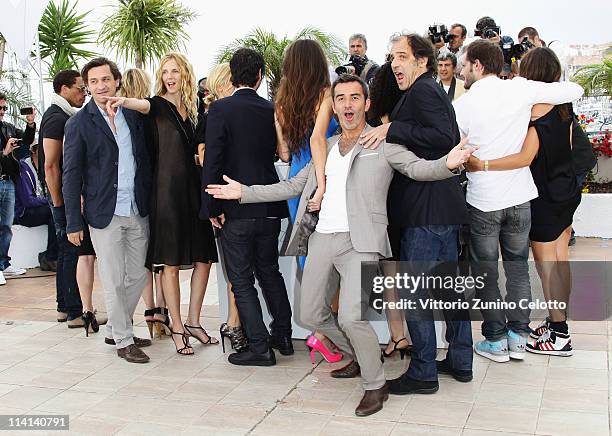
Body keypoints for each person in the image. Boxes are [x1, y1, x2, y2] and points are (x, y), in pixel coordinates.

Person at [206, 74, 474, 416]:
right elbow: (290, 187)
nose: (348, 105)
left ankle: (375, 385)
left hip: (361, 243)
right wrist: (244, 192)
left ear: (366, 104)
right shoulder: (327, 148)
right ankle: (364, 355)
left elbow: (418, 169)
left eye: (354, 98)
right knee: (309, 313)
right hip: (322, 240)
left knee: (350, 315)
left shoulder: (383, 145)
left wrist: (449, 164)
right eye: (341, 98)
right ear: (333, 106)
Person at [453, 40, 583, 363]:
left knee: (487, 272)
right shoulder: (522, 92)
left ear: (478, 65)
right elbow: (575, 90)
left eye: (465, 64)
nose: (461, 70)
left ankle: (496, 340)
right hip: (522, 199)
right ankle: (522, 336)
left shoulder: (463, 105)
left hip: (485, 199)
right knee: (519, 271)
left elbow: (452, 146)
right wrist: (536, 97)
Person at [361, 33, 474, 395]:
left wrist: (393, 128)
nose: (395, 63)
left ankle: (423, 371)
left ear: (422, 61)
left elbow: (445, 137)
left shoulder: (423, 91)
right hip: (440, 210)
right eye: (392, 57)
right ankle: (460, 360)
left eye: (402, 56)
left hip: (426, 213)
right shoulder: (425, 91)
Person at [108, 53, 219, 356]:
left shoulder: (194, 110)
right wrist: (120, 100)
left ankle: (194, 322)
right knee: (169, 265)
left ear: (185, 73)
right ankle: (178, 328)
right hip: (166, 195)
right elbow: (140, 103)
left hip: (193, 193)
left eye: (175, 71)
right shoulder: (156, 104)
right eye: (165, 71)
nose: (170, 76)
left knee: (204, 259)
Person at [202, 48, 293, 367]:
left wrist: (211, 205)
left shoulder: (221, 109)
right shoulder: (270, 109)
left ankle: (258, 347)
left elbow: (212, 159)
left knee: (241, 279)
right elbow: (279, 154)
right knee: (269, 271)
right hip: (268, 202)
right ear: (259, 76)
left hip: (234, 205)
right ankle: (282, 335)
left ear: (232, 74)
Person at [63, 57, 153, 363]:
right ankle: (124, 340)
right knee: (113, 278)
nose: (100, 86)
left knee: (139, 274)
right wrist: (73, 222)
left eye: (105, 79)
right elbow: (71, 175)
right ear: (87, 87)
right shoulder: (78, 123)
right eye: (93, 82)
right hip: (104, 212)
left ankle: (116, 326)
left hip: (137, 207)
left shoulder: (133, 116)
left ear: (116, 81)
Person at [274, 39, 342, 360]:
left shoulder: (283, 100)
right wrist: (323, 184)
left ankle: (320, 334)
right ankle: (324, 334)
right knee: (331, 260)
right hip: (321, 179)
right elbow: (319, 138)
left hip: (295, 183)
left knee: (307, 256)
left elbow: (285, 151)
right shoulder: (326, 95)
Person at [199, 62, 248, 354]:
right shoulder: (212, 117)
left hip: (237, 198)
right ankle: (233, 323)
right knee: (234, 270)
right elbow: (206, 159)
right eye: (230, 82)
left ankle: (235, 322)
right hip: (221, 199)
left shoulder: (233, 114)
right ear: (219, 86)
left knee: (239, 270)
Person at [119, 67, 168, 340]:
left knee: (143, 261)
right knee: (159, 258)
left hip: (135, 195)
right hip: (157, 190)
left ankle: (149, 310)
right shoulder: (152, 114)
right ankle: (161, 310)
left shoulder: (122, 116)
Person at [40, 70, 87, 326]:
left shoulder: (62, 115)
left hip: (61, 198)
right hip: (61, 199)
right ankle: (74, 311)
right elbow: (50, 166)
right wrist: (61, 204)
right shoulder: (57, 118)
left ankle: (64, 307)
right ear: (64, 89)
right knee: (71, 251)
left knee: (66, 251)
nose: (84, 93)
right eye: (80, 88)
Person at [0, 91, 36, 282]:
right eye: (0, 108)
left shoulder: (7, 127)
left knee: (6, 226)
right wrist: (4, 152)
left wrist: (30, 124)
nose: (3, 111)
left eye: (5, 107)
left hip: (8, 181)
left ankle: (3, 264)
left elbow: (27, 141)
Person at [13, 141, 57, 271]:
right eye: (41, 148)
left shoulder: (45, 166)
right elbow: (28, 201)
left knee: (57, 213)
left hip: (39, 208)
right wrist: (50, 199)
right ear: (33, 151)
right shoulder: (23, 168)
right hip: (25, 213)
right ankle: (50, 257)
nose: (45, 150)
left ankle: (51, 256)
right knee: (53, 210)